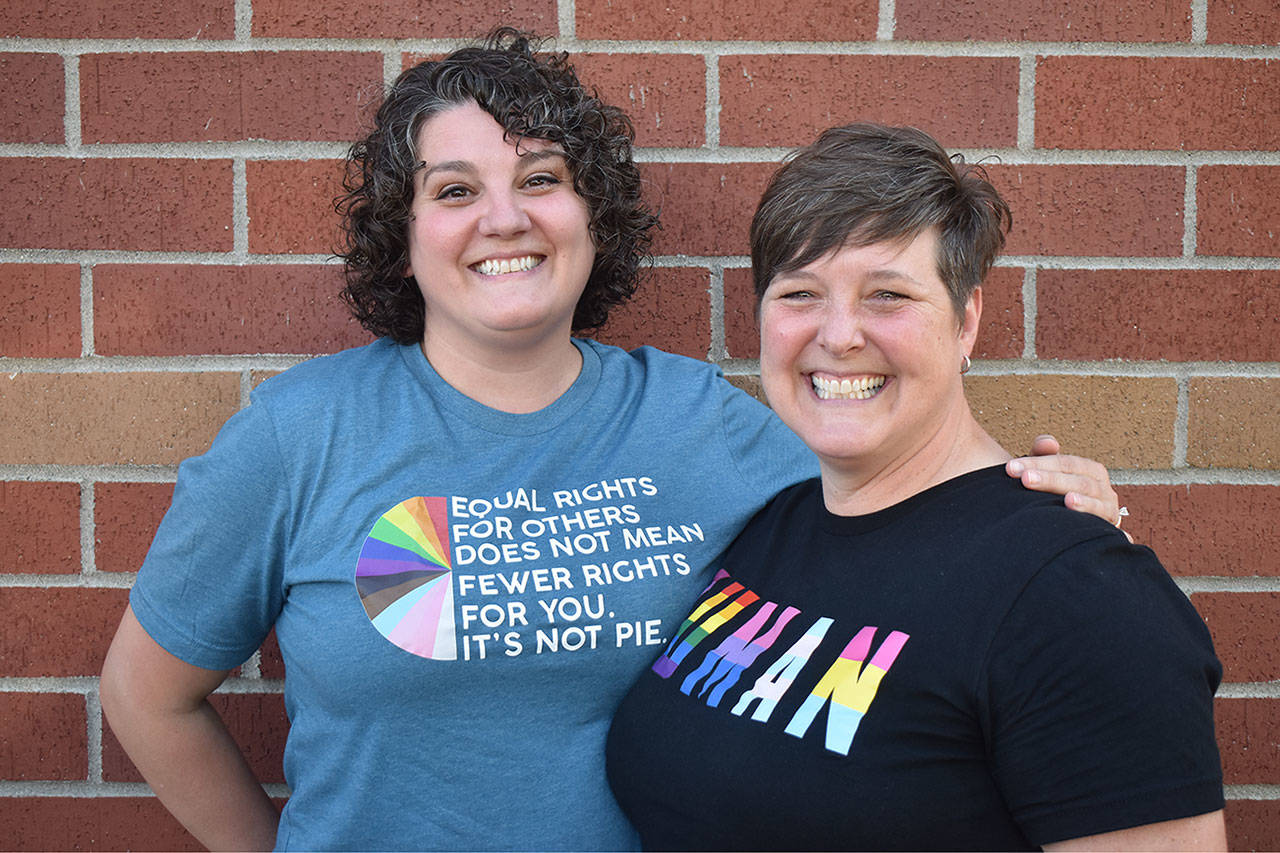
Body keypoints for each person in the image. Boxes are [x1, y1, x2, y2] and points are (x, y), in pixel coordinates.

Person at [99, 33, 1123, 851]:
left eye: (540, 178)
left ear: (591, 216)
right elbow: (146, 697)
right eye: (454, 191)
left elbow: (902, 498)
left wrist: (1039, 506)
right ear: (402, 237)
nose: (504, 217)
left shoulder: (703, 422)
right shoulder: (298, 434)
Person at [605, 122, 1226, 851]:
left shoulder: (1075, 595)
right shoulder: (775, 523)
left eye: (887, 295)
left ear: (965, 323)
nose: (837, 335)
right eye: (800, 292)